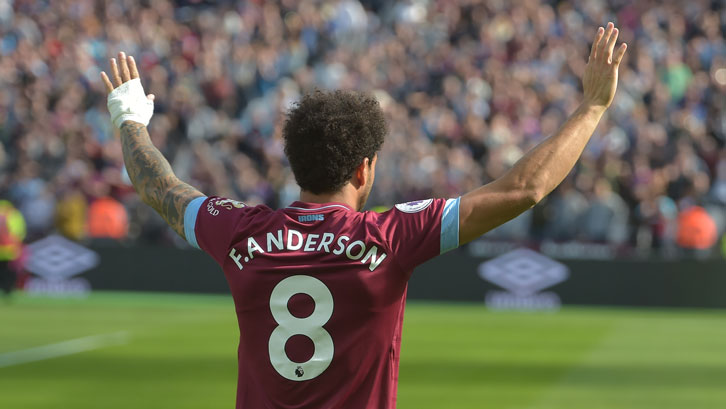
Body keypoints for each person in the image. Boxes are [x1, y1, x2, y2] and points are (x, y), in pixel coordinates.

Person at [100, 22, 626, 409]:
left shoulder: (238, 231)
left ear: (294, 164)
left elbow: (160, 188)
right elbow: (525, 188)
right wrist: (593, 107)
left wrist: (130, 119)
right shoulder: (391, 237)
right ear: (364, 171)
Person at [0, 200, 27, 298]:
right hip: (10, 248)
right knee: (10, 270)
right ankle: (8, 290)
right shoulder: (14, 214)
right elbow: (20, 232)